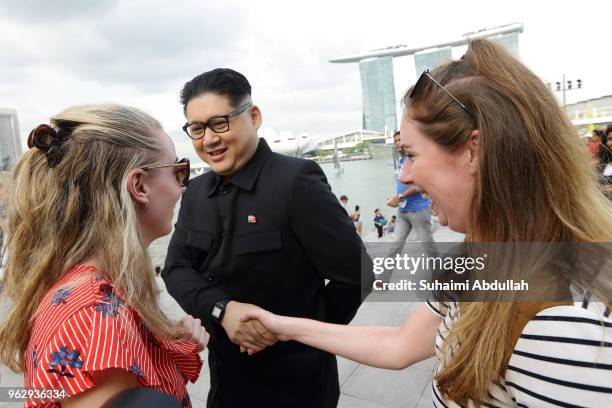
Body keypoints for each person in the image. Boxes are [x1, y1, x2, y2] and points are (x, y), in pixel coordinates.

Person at [240, 40, 612, 407]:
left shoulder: (568, 328)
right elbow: (400, 343)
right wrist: (281, 325)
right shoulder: (482, 260)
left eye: (411, 155)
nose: (404, 174)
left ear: (473, 151)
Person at [162, 68, 373, 408]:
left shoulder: (295, 182)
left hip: (298, 386)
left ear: (254, 116)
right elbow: (175, 268)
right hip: (227, 380)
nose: (209, 139)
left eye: (220, 122)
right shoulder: (197, 192)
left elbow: (358, 273)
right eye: (197, 129)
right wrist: (222, 310)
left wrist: (302, 340)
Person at [0, 105, 207, 408]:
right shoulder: (95, 313)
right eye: (178, 171)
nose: (181, 188)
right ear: (139, 186)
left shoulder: (93, 289)